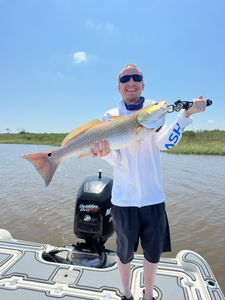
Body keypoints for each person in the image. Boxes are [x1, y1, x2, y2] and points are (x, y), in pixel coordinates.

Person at [90, 64, 207, 300]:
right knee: (124, 253)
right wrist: (104, 153)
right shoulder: (109, 116)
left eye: (136, 77)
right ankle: (126, 294)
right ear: (119, 86)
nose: (130, 82)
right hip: (123, 201)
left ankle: (149, 295)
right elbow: (116, 158)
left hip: (154, 199)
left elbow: (165, 143)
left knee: (152, 253)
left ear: (142, 83)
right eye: (125, 78)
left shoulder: (155, 110)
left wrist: (186, 115)